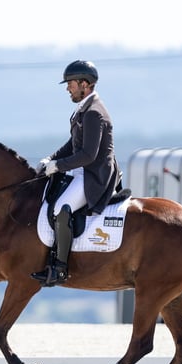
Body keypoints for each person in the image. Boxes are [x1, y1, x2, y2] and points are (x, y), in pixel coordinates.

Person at [31, 60, 121, 287]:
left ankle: (60, 267)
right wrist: (50, 159)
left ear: (85, 84)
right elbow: (72, 145)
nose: (67, 88)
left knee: (62, 208)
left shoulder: (93, 113)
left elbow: (88, 155)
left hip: (93, 175)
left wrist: (59, 166)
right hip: (81, 171)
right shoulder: (83, 110)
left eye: (70, 83)